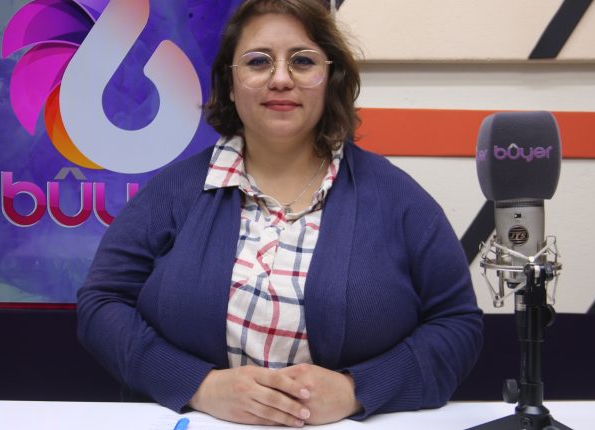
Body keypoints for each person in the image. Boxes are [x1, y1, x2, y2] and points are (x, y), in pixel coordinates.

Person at [76, 0, 483, 427]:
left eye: (303, 61)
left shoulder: (399, 200)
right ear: (230, 84)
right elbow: (101, 303)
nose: (282, 79)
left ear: (330, 80)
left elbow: (457, 326)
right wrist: (199, 385)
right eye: (258, 61)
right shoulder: (173, 192)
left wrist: (356, 390)